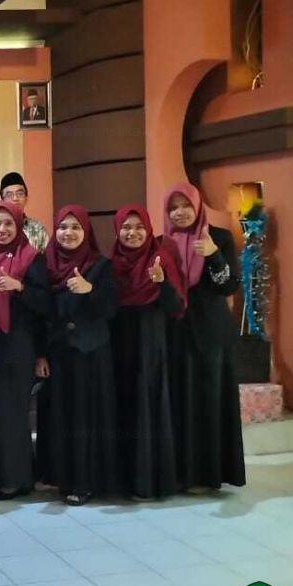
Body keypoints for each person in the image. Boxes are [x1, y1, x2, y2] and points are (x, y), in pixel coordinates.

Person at [160, 182, 245, 491]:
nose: (180, 212)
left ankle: (208, 475)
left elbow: (229, 285)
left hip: (211, 333)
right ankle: (181, 474)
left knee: (209, 401)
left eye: (185, 205)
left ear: (197, 206)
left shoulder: (218, 237)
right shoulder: (162, 243)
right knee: (179, 401)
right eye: (173, 208)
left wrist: (213, 256)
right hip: (175, 331)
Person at [36, 205, 120, 506]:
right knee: (62, 417)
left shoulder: (100, 265)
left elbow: (111, 308)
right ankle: (64, 477)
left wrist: (89, 290)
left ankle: (86, 482)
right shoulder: (46, 265)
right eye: (62, 227)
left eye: (75, 227)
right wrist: (40, 354)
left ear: (86, 232)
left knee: (86, 418)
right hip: (59, 354)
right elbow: (40, 314)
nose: (68, 233)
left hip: (90, 353)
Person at [109, 205, 186, 500]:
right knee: (124, 409)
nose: (133, 233)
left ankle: (153, 481)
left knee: (149, 409)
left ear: (149, 229)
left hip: (151, 347)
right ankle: (125, 481)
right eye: (126, 227)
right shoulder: (111, 263)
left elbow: (176, 308)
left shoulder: (160, 259)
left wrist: (162, 283)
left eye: (139, 227)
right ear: (117, 230)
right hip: (119, 349)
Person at [0, 201, 50, 499]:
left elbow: (45, 306)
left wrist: (20, 288)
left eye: (8, 223)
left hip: (19, 345)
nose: (2, 229)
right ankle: (9, 474)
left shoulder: (31, 258)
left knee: (13, 414)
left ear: (19, 226)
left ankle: (17, 479)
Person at [0, 172, 49, 251]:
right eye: (9, 195)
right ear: (2, 201)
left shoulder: (38, 229)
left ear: (26, 199)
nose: (15, 198)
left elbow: (46, 256)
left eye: (20, 194)